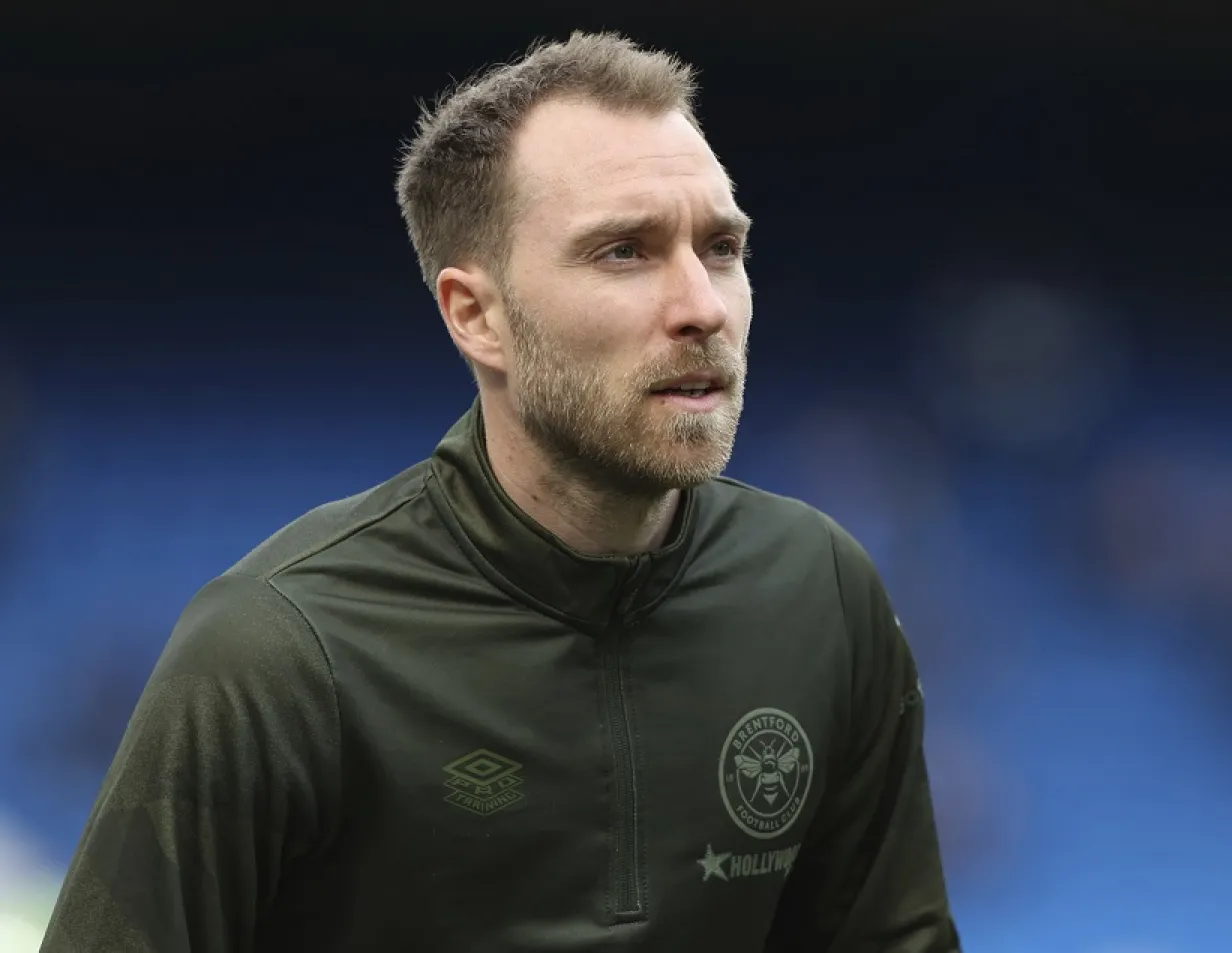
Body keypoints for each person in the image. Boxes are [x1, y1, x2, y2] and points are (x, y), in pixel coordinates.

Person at [41, 31, 960, 952]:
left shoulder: (821, 592)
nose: (703, 305)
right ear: (475, 316)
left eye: (720, 247)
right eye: (624, 252)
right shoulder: (280, 653)